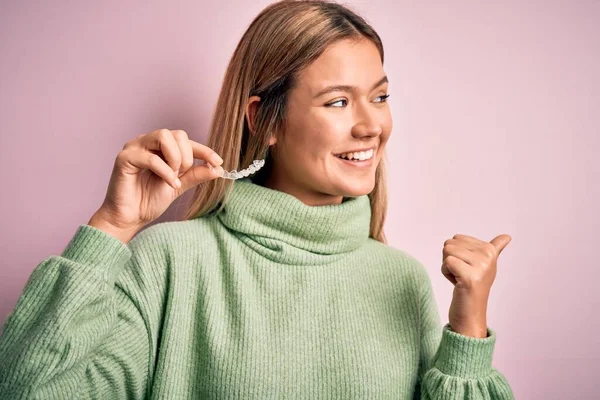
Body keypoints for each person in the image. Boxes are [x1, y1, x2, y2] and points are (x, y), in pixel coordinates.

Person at [0, 0, 515, 398]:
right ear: (263, 119)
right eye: (338, 101)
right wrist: (112, 226)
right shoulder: (171, 262)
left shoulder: (402, 280)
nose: (371, 125)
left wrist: (467, 328)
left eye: (379, 96)